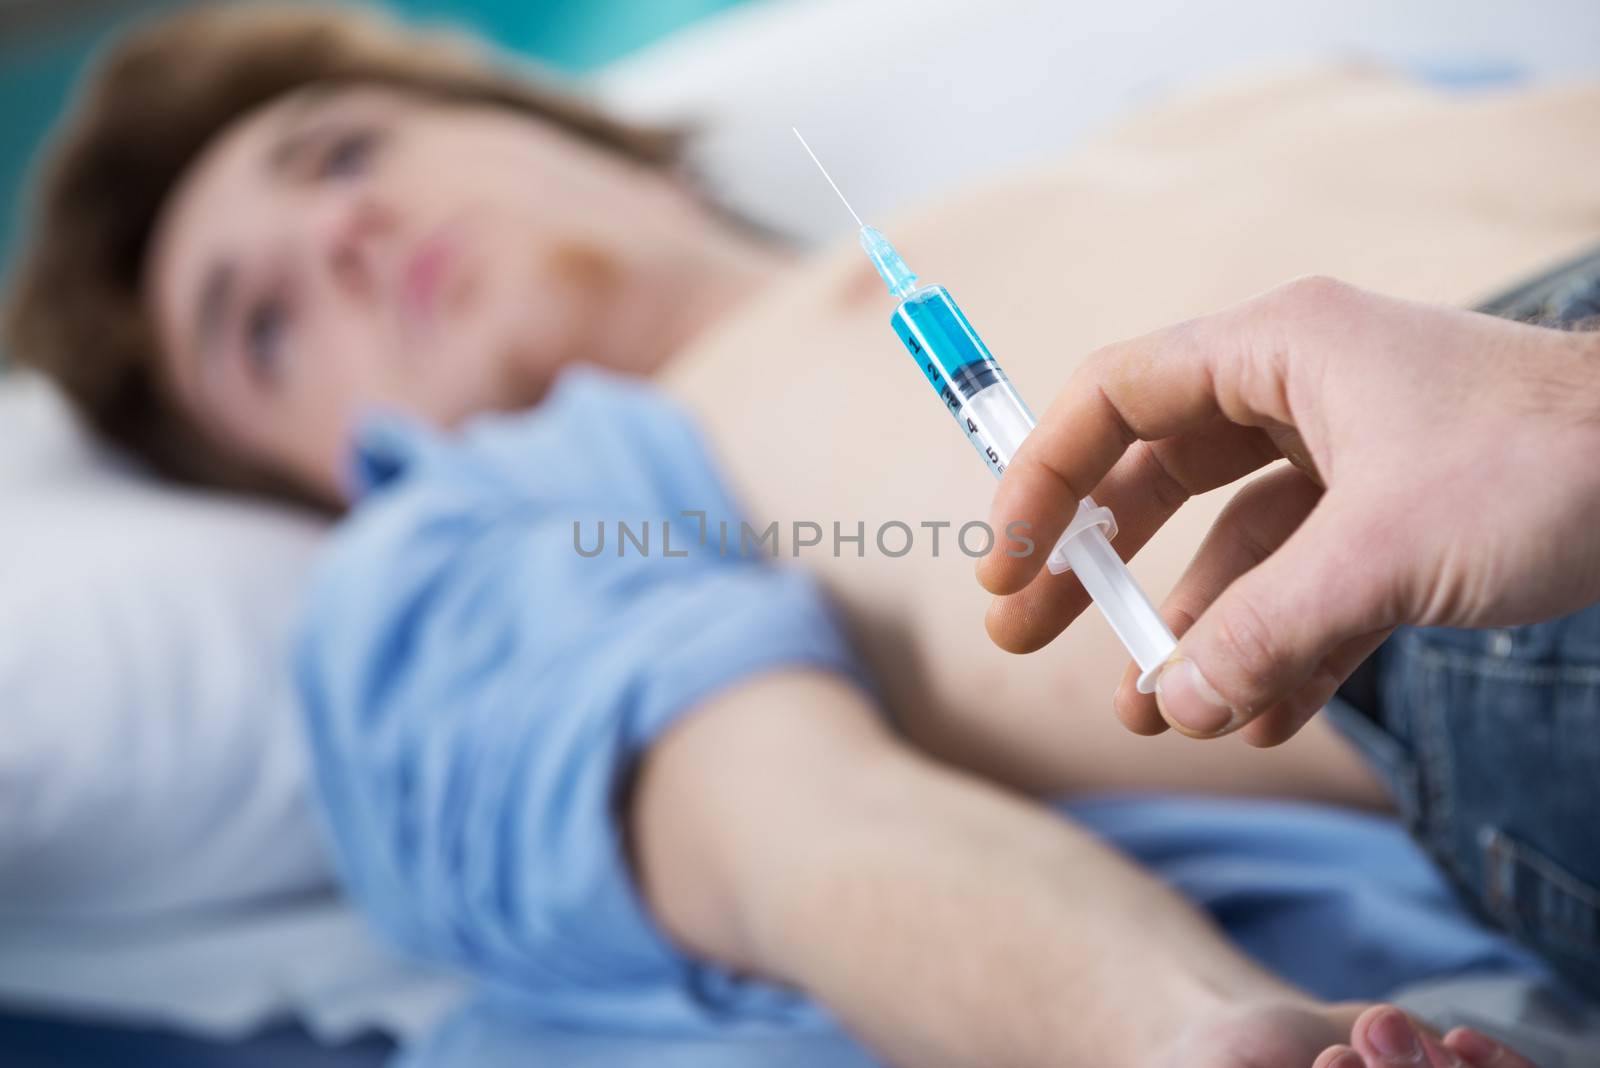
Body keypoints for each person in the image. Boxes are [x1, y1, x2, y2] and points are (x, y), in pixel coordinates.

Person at [8, 5, 1594, 1065]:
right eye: (261, 326)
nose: (340, 235)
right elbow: (797, 838)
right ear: (313, 484)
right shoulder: (490, 528)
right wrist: (1186, 1036)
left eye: (343, 153)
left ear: (592, 135)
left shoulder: (1199, 110)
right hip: (1520, 639)